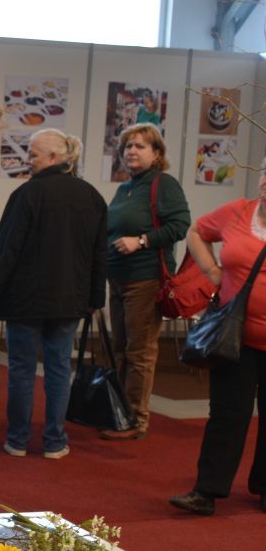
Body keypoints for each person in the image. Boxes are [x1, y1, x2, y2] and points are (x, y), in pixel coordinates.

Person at [0, 129, 107, 459]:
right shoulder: (92, 197)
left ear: (53, 157)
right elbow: (98, 255)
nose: (28, 159)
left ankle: (18, 440)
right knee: (60, 369)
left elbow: (7, 250)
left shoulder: (27, 195)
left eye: (33, 154)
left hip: (25, 301)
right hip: (69, 300)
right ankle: (55, 441)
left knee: (21, 370)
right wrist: (95, 299)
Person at [169, 159, 266, 516]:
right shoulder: (238, 212)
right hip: (234, 335)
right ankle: (206, 490)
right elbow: (197, 232)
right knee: (228, 414)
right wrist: (211, 271)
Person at [102, 122, 191, 441]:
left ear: (157, 154)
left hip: (146, 277)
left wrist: (140, 241)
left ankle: (137, 419)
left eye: (140, 146)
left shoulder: (163, 184)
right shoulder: (125, 188)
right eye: (128, 146)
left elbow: (181, 225)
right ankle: (120, 413)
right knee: (119, 348)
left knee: (139, 350)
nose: (132, 151)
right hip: (118, 277)